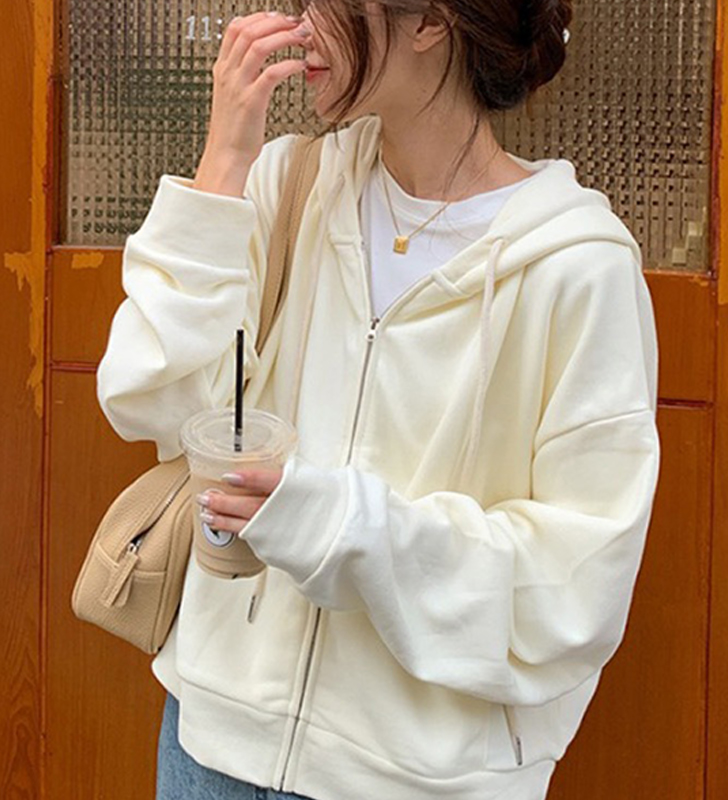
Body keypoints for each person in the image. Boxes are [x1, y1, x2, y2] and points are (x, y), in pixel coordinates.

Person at [96, 1, 661, 798]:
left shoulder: (577, 267)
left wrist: (335, 524)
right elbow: (150, 401)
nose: (300, 26)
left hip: (418, 779)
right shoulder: (288, 184)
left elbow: (574, 588)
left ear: (428, 21)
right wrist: (222, 165)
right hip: (212, 748)